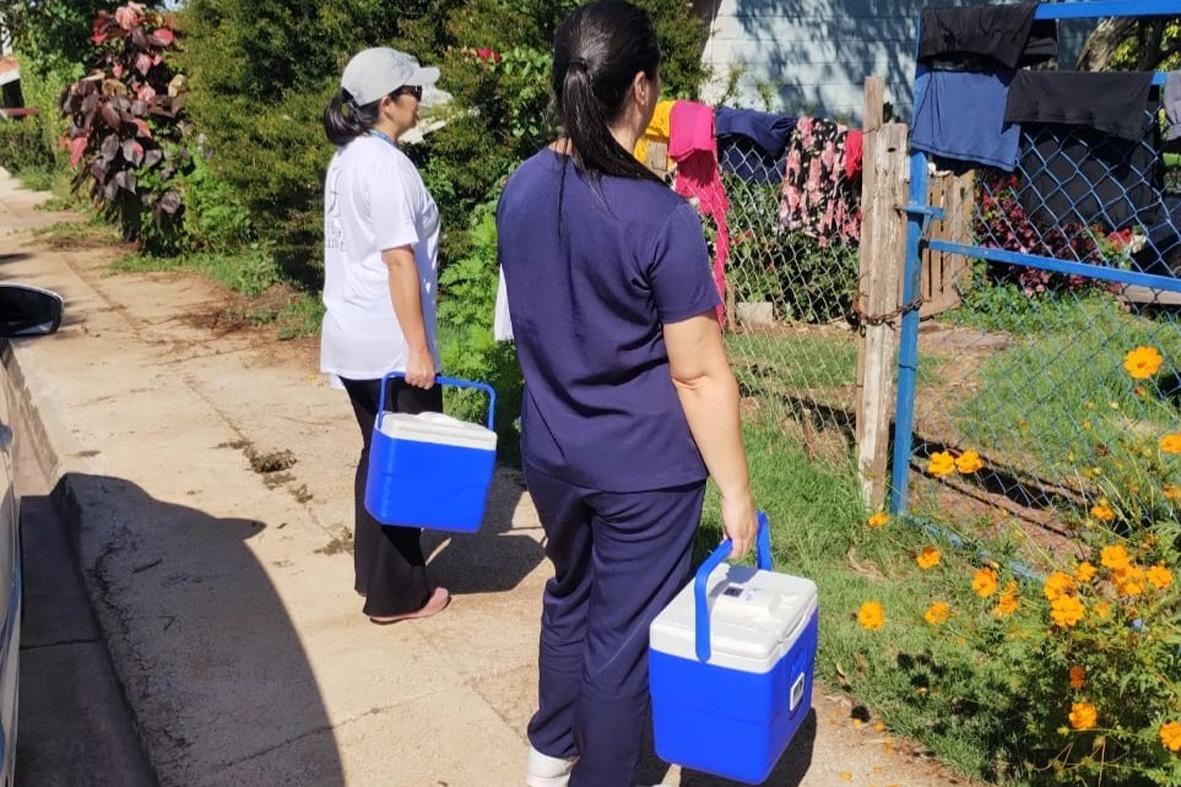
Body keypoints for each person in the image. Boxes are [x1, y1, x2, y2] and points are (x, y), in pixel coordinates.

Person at [496, 3, 759, 785]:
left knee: (571, 593)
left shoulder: (520, 187)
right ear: (640, 88)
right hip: (640, 468)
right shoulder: (660, 217)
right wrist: (736, 493)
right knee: (622, 641)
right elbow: (699, 370)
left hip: (551, 450)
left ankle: (549, 751)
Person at [320, 47, 450, 624]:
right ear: (387, 103)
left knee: (377, 453)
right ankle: (399, 594)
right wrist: (418, 349)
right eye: (412, 91)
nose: (419, 100)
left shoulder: (348, 159)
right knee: (406, 462)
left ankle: (371, 574)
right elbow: (400, 261)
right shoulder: (388, 166)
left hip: (351, 337)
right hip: (388, 343)